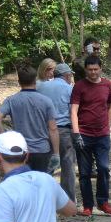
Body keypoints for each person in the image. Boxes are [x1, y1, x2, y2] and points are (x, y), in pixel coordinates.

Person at [70, 55, 111, 217]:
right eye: (90, 70)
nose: (93, 72)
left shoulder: (107, 85)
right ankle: (88, 205)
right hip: (84, 134)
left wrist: (108, 126)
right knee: (84, 172)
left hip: (102, 134)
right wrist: (76, 133)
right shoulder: (79, 86)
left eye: (96, 69)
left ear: (100, 69)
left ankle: (103, 201)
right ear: (85, 70)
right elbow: (73, 111)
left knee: (103, 168)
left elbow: (110, 106)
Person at [0, 63, 60, 173]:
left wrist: (4, 137)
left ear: (19, 82)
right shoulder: (46, 101)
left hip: (21, 151)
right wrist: (56, 154)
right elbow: (53, 129)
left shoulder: (11, 100)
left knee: (23, 185)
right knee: (40, 185)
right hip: (42, 151)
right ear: (35, 80)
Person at [38, 60, 78, 202]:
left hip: (45, 131)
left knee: (47, 165)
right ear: (67, 76)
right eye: (70, 76)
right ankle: (68, 201)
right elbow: (73, 111)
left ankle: (43, 199)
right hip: (64, 130)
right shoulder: (69, 89)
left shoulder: (42, 87)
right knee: (68, 166)